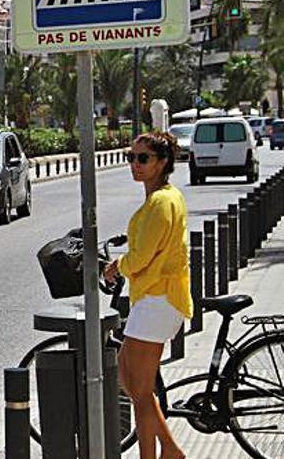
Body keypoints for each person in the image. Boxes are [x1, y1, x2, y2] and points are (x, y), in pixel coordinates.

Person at [104, 131, 189, 459]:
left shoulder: (160, 202)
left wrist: (116, 266)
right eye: (131, 157)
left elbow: (141, 258)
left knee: (139, 390)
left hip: (158, 300)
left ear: (162, 162)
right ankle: (169, 449)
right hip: (153, 299)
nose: (135, 165)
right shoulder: (162, 197)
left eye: (143, 158)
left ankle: (155, 456)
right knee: (131, 380)